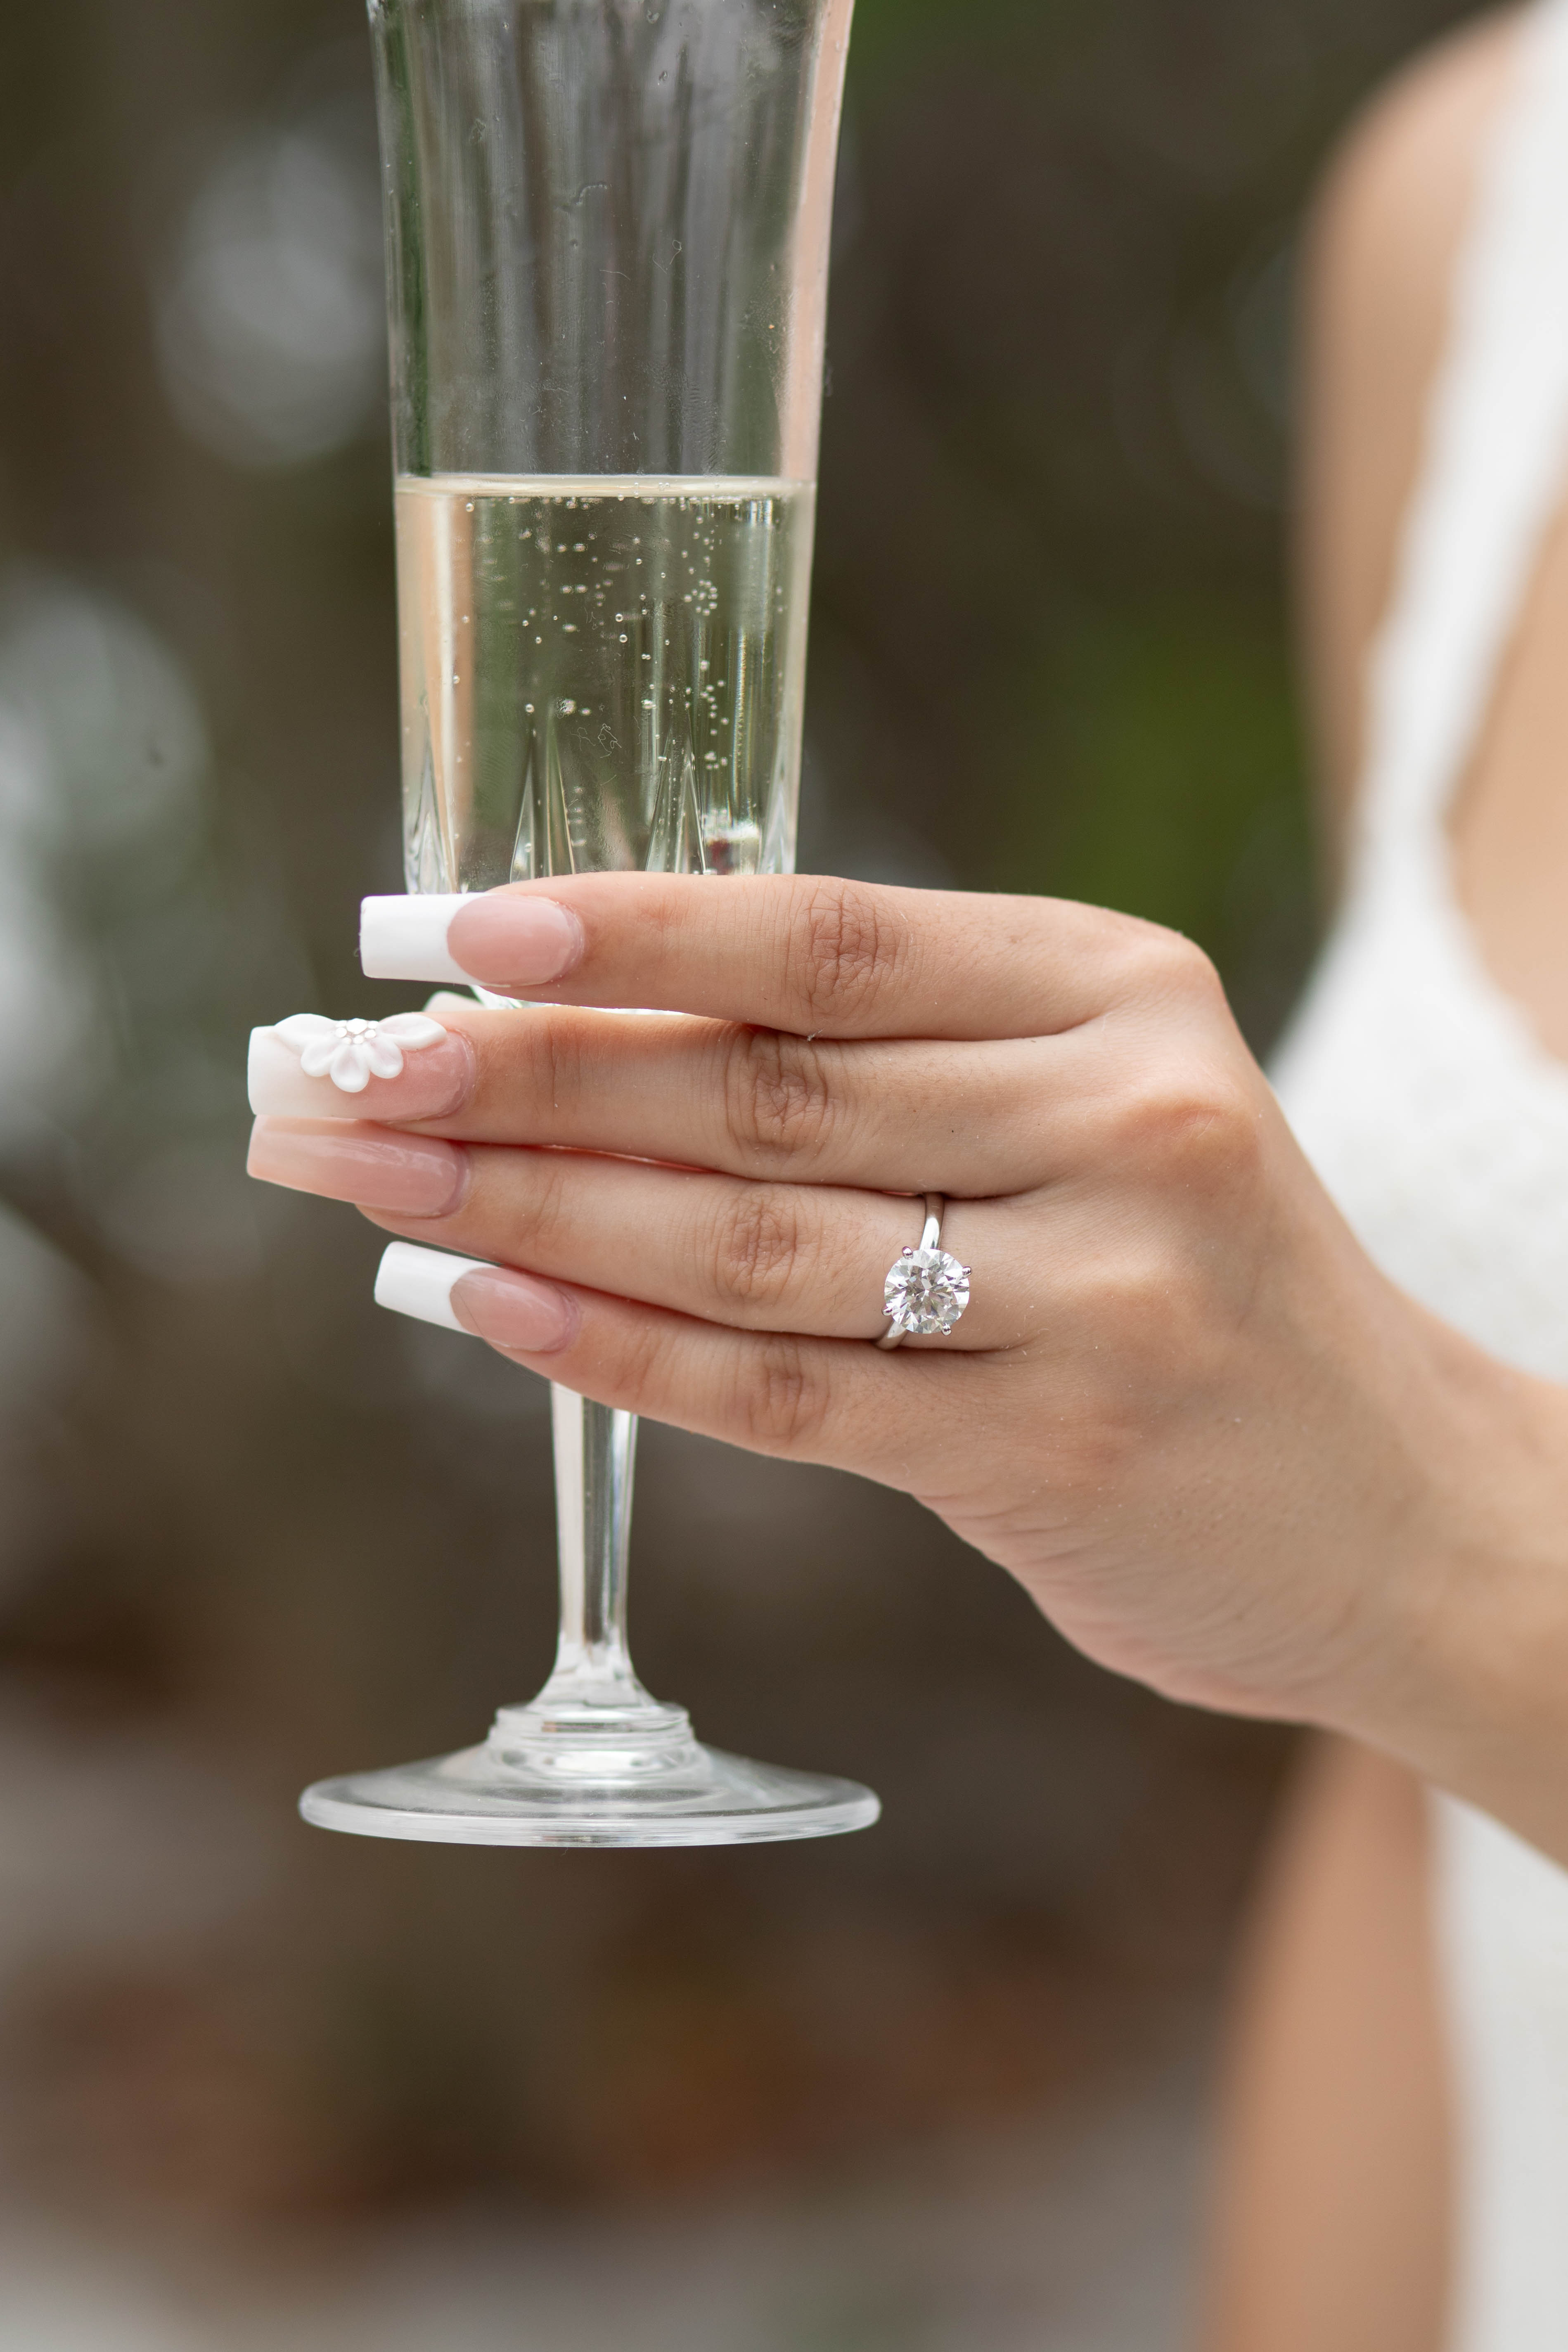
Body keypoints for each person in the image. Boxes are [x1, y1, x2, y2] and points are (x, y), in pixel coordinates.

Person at [244, 4, 1568, 2339]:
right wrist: (1392, 1622)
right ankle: (589, 1658)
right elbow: (1416, 1810)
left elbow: (1428, 1598)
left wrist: (1436, 1541)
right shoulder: (1468, 215)